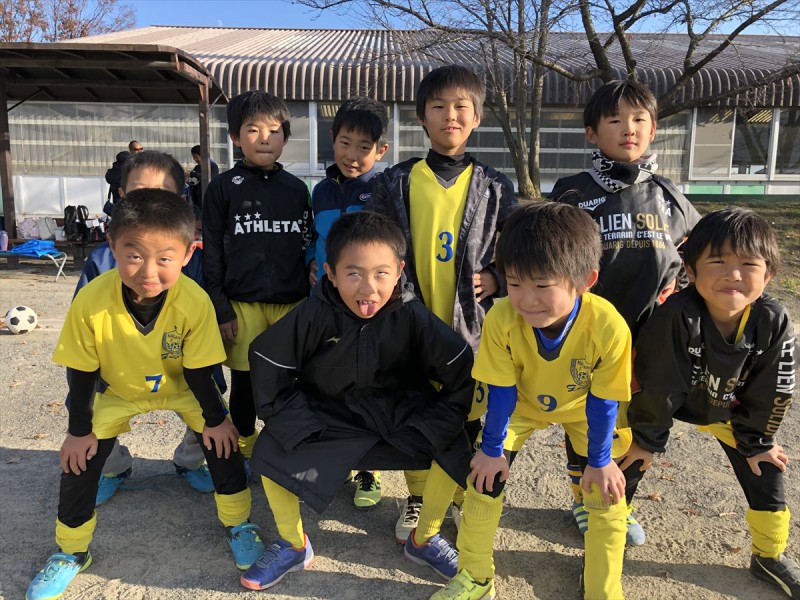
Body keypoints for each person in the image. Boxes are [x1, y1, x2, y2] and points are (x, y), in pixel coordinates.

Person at [25, 190, 264, 600]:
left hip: (181, 388)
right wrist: (78, 430)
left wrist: (215, 418)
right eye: (134, 255)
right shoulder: (91, 300)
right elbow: (80, 370)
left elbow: (198, 370)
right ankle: (71, 551)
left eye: (165, 258)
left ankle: (239, 524)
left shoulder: (195, 300)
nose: (148, 271)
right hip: (120, 391)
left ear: (188, 254)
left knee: (223, 442)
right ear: (113, 247)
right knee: (78, 460)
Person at [241, 210, 473, 591]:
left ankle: (425, 538)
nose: (368, 288)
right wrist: (299, 422)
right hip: (331, 415)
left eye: (381, 273)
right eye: (353, 273)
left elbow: (457, 363)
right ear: (329, 273)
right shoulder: (315, 311)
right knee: (270, 449)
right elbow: (268, 360)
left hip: (399, 415)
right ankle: (293, 543)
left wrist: (441, 416)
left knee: (453, 444)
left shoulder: (411, 313)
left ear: (399, 271)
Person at [431, 202, 637, 600]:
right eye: (515, 283)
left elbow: (604, 401)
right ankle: (475, 575)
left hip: (583, 408)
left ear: (585, 279)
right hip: (522, 406)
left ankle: (603, 588)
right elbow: (502, 392)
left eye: (543, 286)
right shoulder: (502, 318)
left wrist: (598, 460)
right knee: (483, 480)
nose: (527, 300)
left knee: (607, 493)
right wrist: (492, 451)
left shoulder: (608, 325)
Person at [368, 64, 515, 542]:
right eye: (438, 107)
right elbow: (379, 246)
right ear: (421, 118)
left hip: (471, 327)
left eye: (461, 107)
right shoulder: (397, 181)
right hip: (411, 319)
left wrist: (497, 277)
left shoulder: (494, 185)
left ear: (477, 118)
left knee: (467, 411)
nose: (450, 115)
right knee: (415, 408)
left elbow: (512, 248)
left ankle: (455, 493)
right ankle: (416, 497)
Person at [621, 207, 800, 598]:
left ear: (768, 275)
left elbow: (773, 388)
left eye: (748, 264)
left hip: (727, 409)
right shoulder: (676, 315)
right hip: (672, 399)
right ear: (691, 267)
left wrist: (758, 441)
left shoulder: (774, 319)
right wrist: (647, 439)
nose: (733, 274)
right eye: (717, 261)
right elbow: (658, 384)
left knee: (767, 468)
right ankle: (609, 535)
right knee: (628, 461)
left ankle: (768, 556)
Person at [551, 79, 701, 544]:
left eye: (638, 119)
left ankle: (618, 501)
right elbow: (551, 257)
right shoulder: (573, 191)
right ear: (592, 133)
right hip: (590, 333)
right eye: (614, 119)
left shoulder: (668, 193)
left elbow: (698, 252)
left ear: (653, 129)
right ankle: (583, 496)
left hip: (651, 337)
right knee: (588, 418)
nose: (628, 128)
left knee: (637, 424)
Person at [73, 150, 222, 506]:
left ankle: (190, 460)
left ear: (181, 200)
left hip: (177, 358)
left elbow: (203, 316)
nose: (151, 200)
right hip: (121, 363)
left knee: (211, 394)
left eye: (163, 192)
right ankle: (113, 466)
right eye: (139, 192)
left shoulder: (191, 257)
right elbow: (85, 322)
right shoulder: (104, 259)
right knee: (90, 404)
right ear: (122, 197)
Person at [202, 90, 315, 462]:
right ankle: (246, 446)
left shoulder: (298, 190)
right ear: (235, 136)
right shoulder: (221, 188)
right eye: (252, 130)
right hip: (241, 304)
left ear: (285, 136)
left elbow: (307, 245)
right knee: (246, 383)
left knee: (289, 381)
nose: (265, 138)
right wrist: (220, 306)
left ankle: (285, 446)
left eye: (274, 130)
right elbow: (213, 251)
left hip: (291, 303)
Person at [309, 96, 389, 510]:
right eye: (345, 142)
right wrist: (311, 262)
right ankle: (334, 459)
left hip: (364, 306)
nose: (352, 155)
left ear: (381, 151)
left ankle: (369, 471)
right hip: (324, 301)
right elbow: (313, 238)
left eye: (364, 147)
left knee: (365, 383)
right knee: (326, 380)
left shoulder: (383, 189)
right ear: (332, 140)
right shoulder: (320, 191)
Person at [187, 144, 220, 220]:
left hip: (207, 201)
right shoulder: (197, 167)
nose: (194, 159)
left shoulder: (212, 166)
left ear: (201, 154)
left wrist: (193, 174)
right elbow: (193, 181)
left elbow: (210, 178)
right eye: (193, 157)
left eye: (195, 156)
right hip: (197, 202)